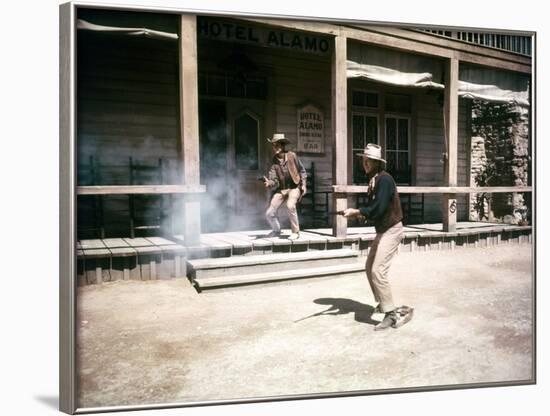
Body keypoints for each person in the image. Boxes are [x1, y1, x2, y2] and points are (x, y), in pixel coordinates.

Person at [343, 143, 413, 331]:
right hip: (383, 229)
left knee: (377, 271)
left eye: (369, 160)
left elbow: (378, 207)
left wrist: (357, 211)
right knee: (369, 267)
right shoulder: (374, 179)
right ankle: (384, 303)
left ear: (377, 162)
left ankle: (390, 315)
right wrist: (362, 215)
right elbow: (376, 209)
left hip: (392, 229)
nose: (365, 163)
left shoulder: (384, 180)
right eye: (364, 160)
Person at [263, 133, 307, 240]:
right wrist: (270, 183)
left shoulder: (292, 156)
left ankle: (295, 232)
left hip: (294, 187)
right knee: (269, 213)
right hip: (282, 189)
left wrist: (304, 185)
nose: (275, 148)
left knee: (290, 205)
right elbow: (274, 179)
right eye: (273, 145)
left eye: (277, 145)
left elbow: (302, 171)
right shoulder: (273, 161)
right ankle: (276, 230)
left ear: (283, 145)